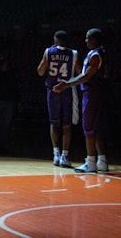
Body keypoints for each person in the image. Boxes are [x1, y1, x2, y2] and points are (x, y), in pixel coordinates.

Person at [53, 28, 109, 173]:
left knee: (89, 128)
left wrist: (67, 84)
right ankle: (102, 160)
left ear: (95, 39)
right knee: (96, 128)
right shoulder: (99, 53)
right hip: (97, 93)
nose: (86, 41)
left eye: (88, 38)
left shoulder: (96, 56)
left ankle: (90, 161)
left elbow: (85, 77)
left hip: (92, 94)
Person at [37, 30, 81, 167]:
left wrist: (48, 57)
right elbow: (81, 73)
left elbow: (40, 71)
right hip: (66, 91)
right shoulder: (73, 53)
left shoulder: (48, 52)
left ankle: (55, 154)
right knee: (67, 125)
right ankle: (65, 156)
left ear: (55, 39)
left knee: (54, 123)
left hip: (52, 91)